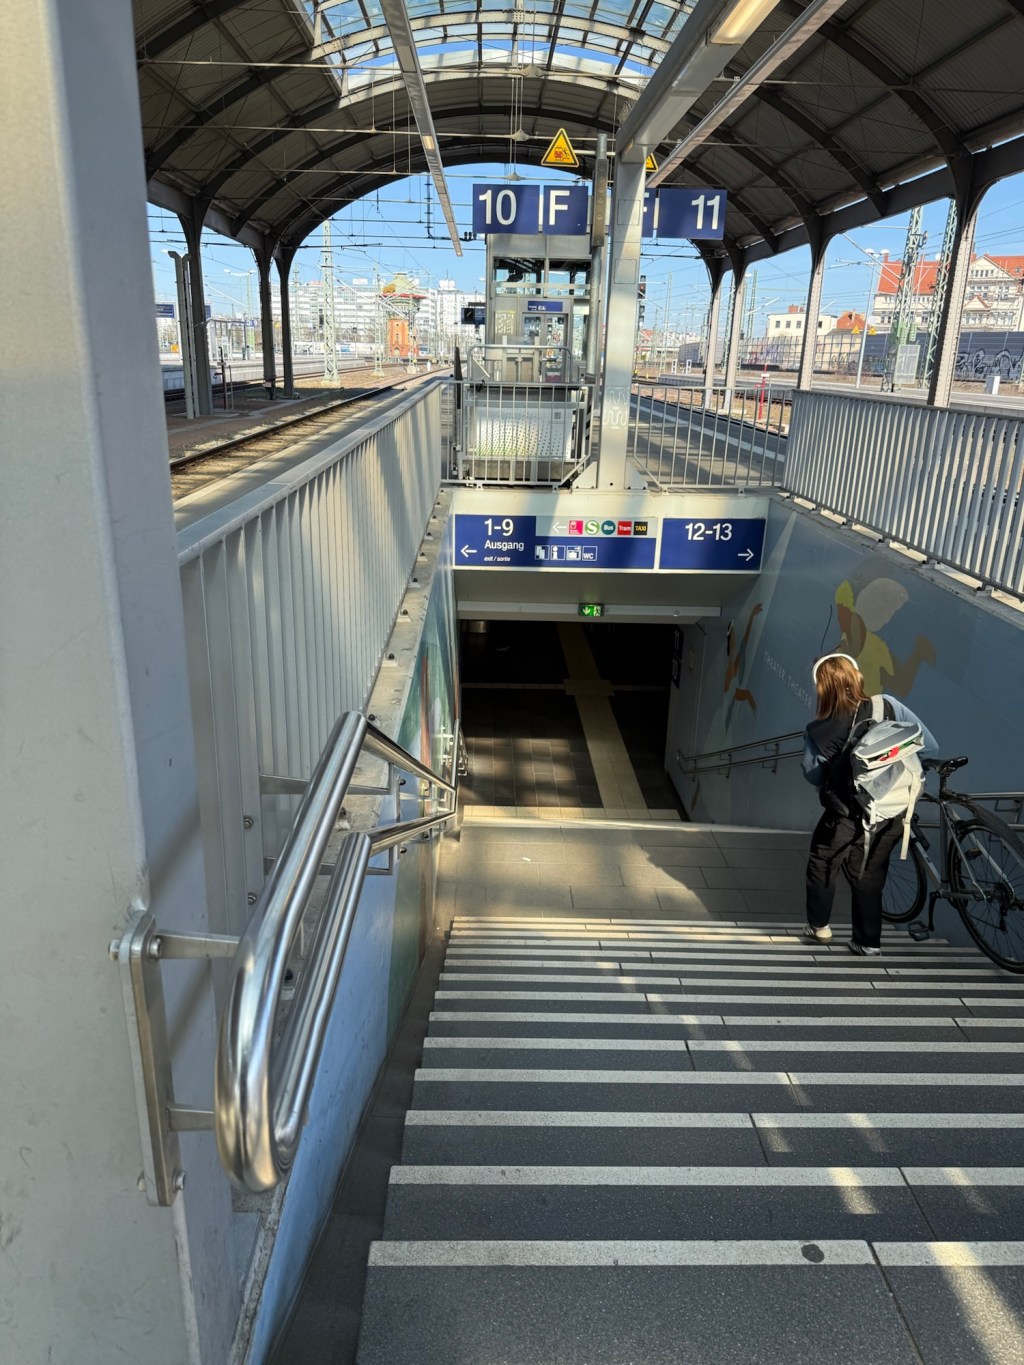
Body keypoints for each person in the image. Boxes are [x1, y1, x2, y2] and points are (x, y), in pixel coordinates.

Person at [801, 652, 938, 955]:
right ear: (857, 676)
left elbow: (813, 775)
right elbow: (929, 745)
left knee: (823, 862)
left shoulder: (819, 730)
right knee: (870, 871)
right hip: (894, 811)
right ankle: (867, 943)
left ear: (822, 688)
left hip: (846, 812)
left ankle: (819, 927)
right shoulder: (887, 704)